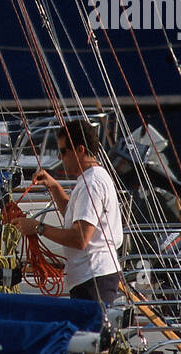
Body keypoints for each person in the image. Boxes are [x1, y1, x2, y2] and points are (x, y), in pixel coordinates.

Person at [8, 118, 123, 304]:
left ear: (80, 150)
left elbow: (80, 239)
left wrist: (38, 227)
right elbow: (74, 215)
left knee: (91, 333)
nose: (60, 158)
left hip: (93, 280)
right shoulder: (93, 178)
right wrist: (54, 186)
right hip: (93, 278)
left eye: (63, 151)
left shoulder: (91, 184)